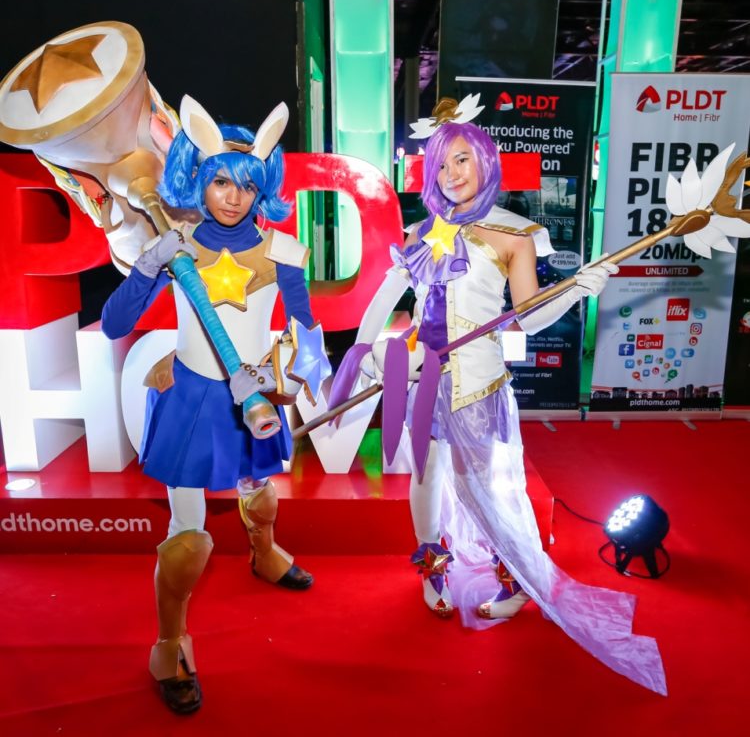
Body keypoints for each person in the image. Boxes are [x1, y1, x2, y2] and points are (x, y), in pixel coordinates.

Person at [331, 97, 666, 695]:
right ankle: (432, 569)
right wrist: (363, 354)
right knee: (426, 477)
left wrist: (576, 290)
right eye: (440, 164)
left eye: (461, 159)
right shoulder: (423, 232)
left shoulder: (515, 234)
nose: (450, 174)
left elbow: (529, 318)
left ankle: (515, 582)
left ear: (485, 161)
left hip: (479, 385)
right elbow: (386, 299)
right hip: (423, 380)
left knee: (491, 489)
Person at [102, 96, 327, 714]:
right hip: (193, 398)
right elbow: (113, 323)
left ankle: (264, 553)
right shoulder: (175, 247)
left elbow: (307, 330)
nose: (233, 197)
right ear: (198, 179)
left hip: (252, 392)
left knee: (260, 489)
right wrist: (148, 266)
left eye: (246, 185)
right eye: (221, 181)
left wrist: (299, 368)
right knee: (188, 534)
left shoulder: (282, 251)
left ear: (262, 187)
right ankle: (169, 645)